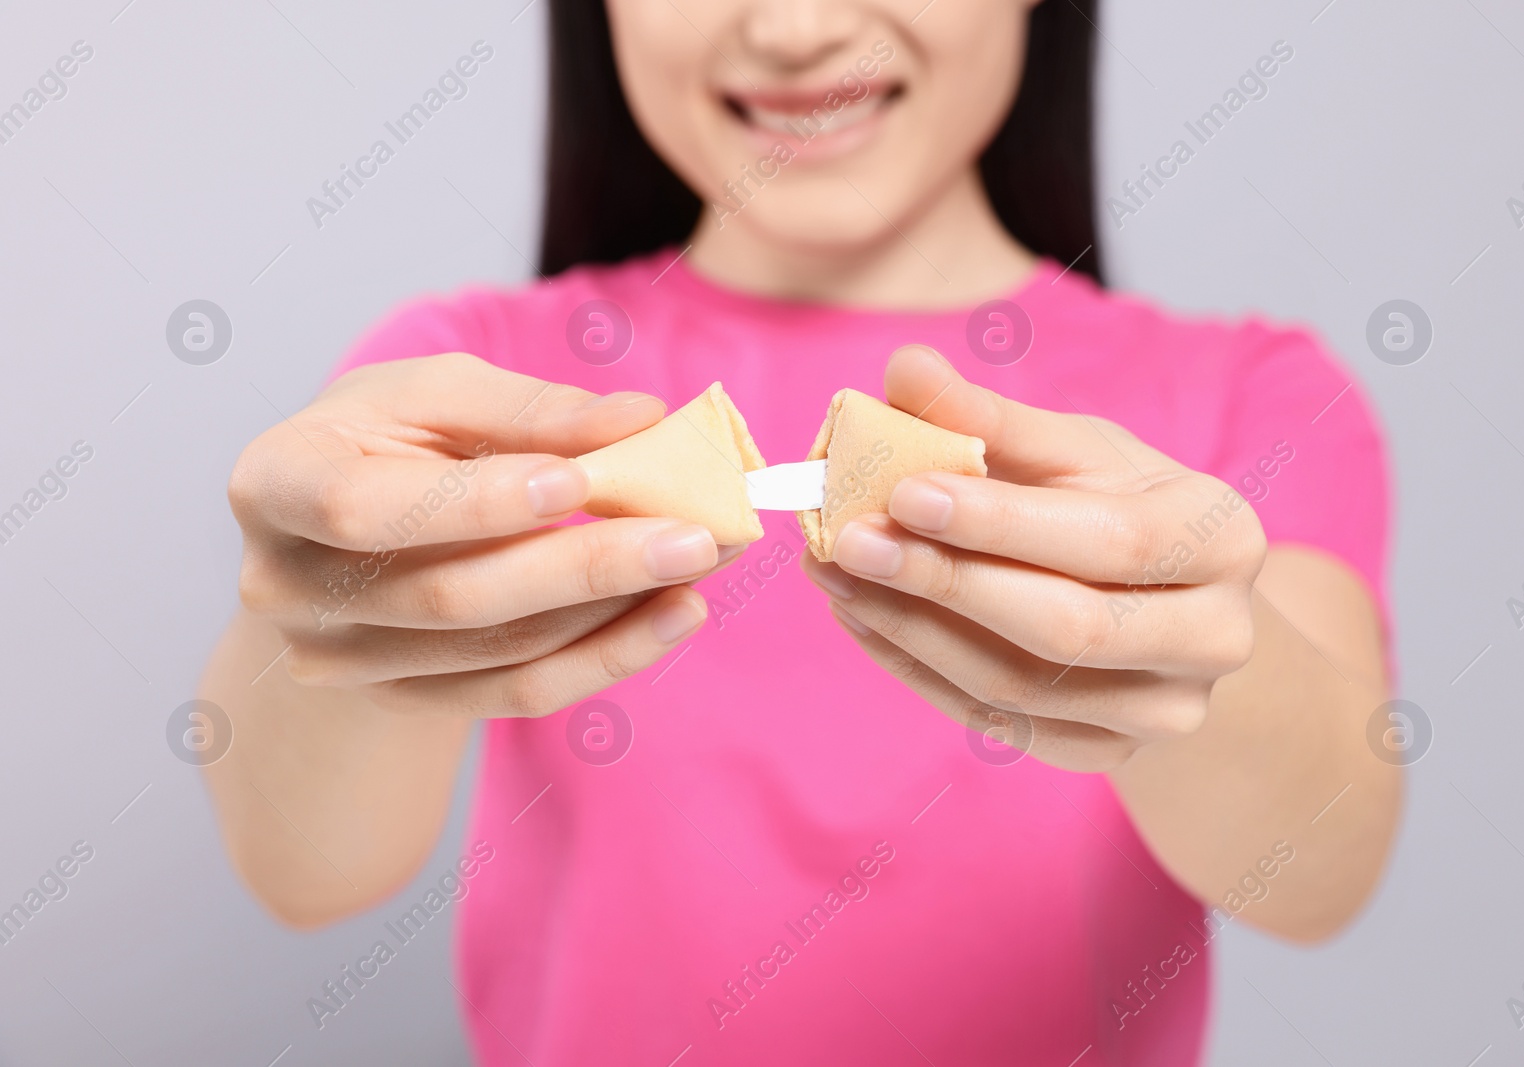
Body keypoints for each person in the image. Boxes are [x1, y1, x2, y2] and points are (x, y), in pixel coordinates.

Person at [200, 1, 1400, 1062]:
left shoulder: (1249, 395)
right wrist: (329, 606)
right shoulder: (463, 382)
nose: (791, 27)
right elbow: (306, 869)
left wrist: (1191, 655)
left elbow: (1320, 870)